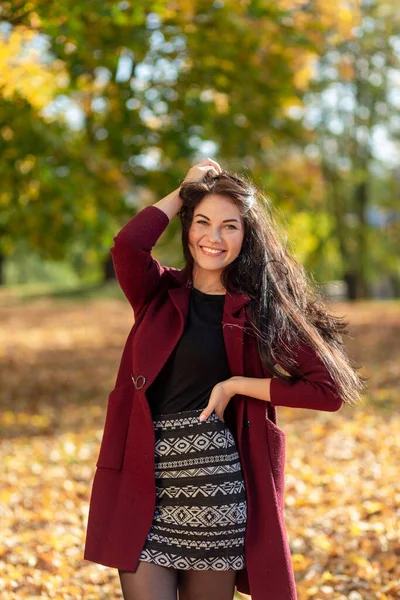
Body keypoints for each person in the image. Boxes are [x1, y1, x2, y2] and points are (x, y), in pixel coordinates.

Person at [83, 158, 364, 600]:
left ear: (246, 235)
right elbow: (127, 246)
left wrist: (235, 385)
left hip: (215, 488)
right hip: (141, 481)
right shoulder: (158, 293)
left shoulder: (257, 312)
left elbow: (326, 391)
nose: (213, 237)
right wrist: (184, 190)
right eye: (202, 222)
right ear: (187, 227)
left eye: (229, 226)